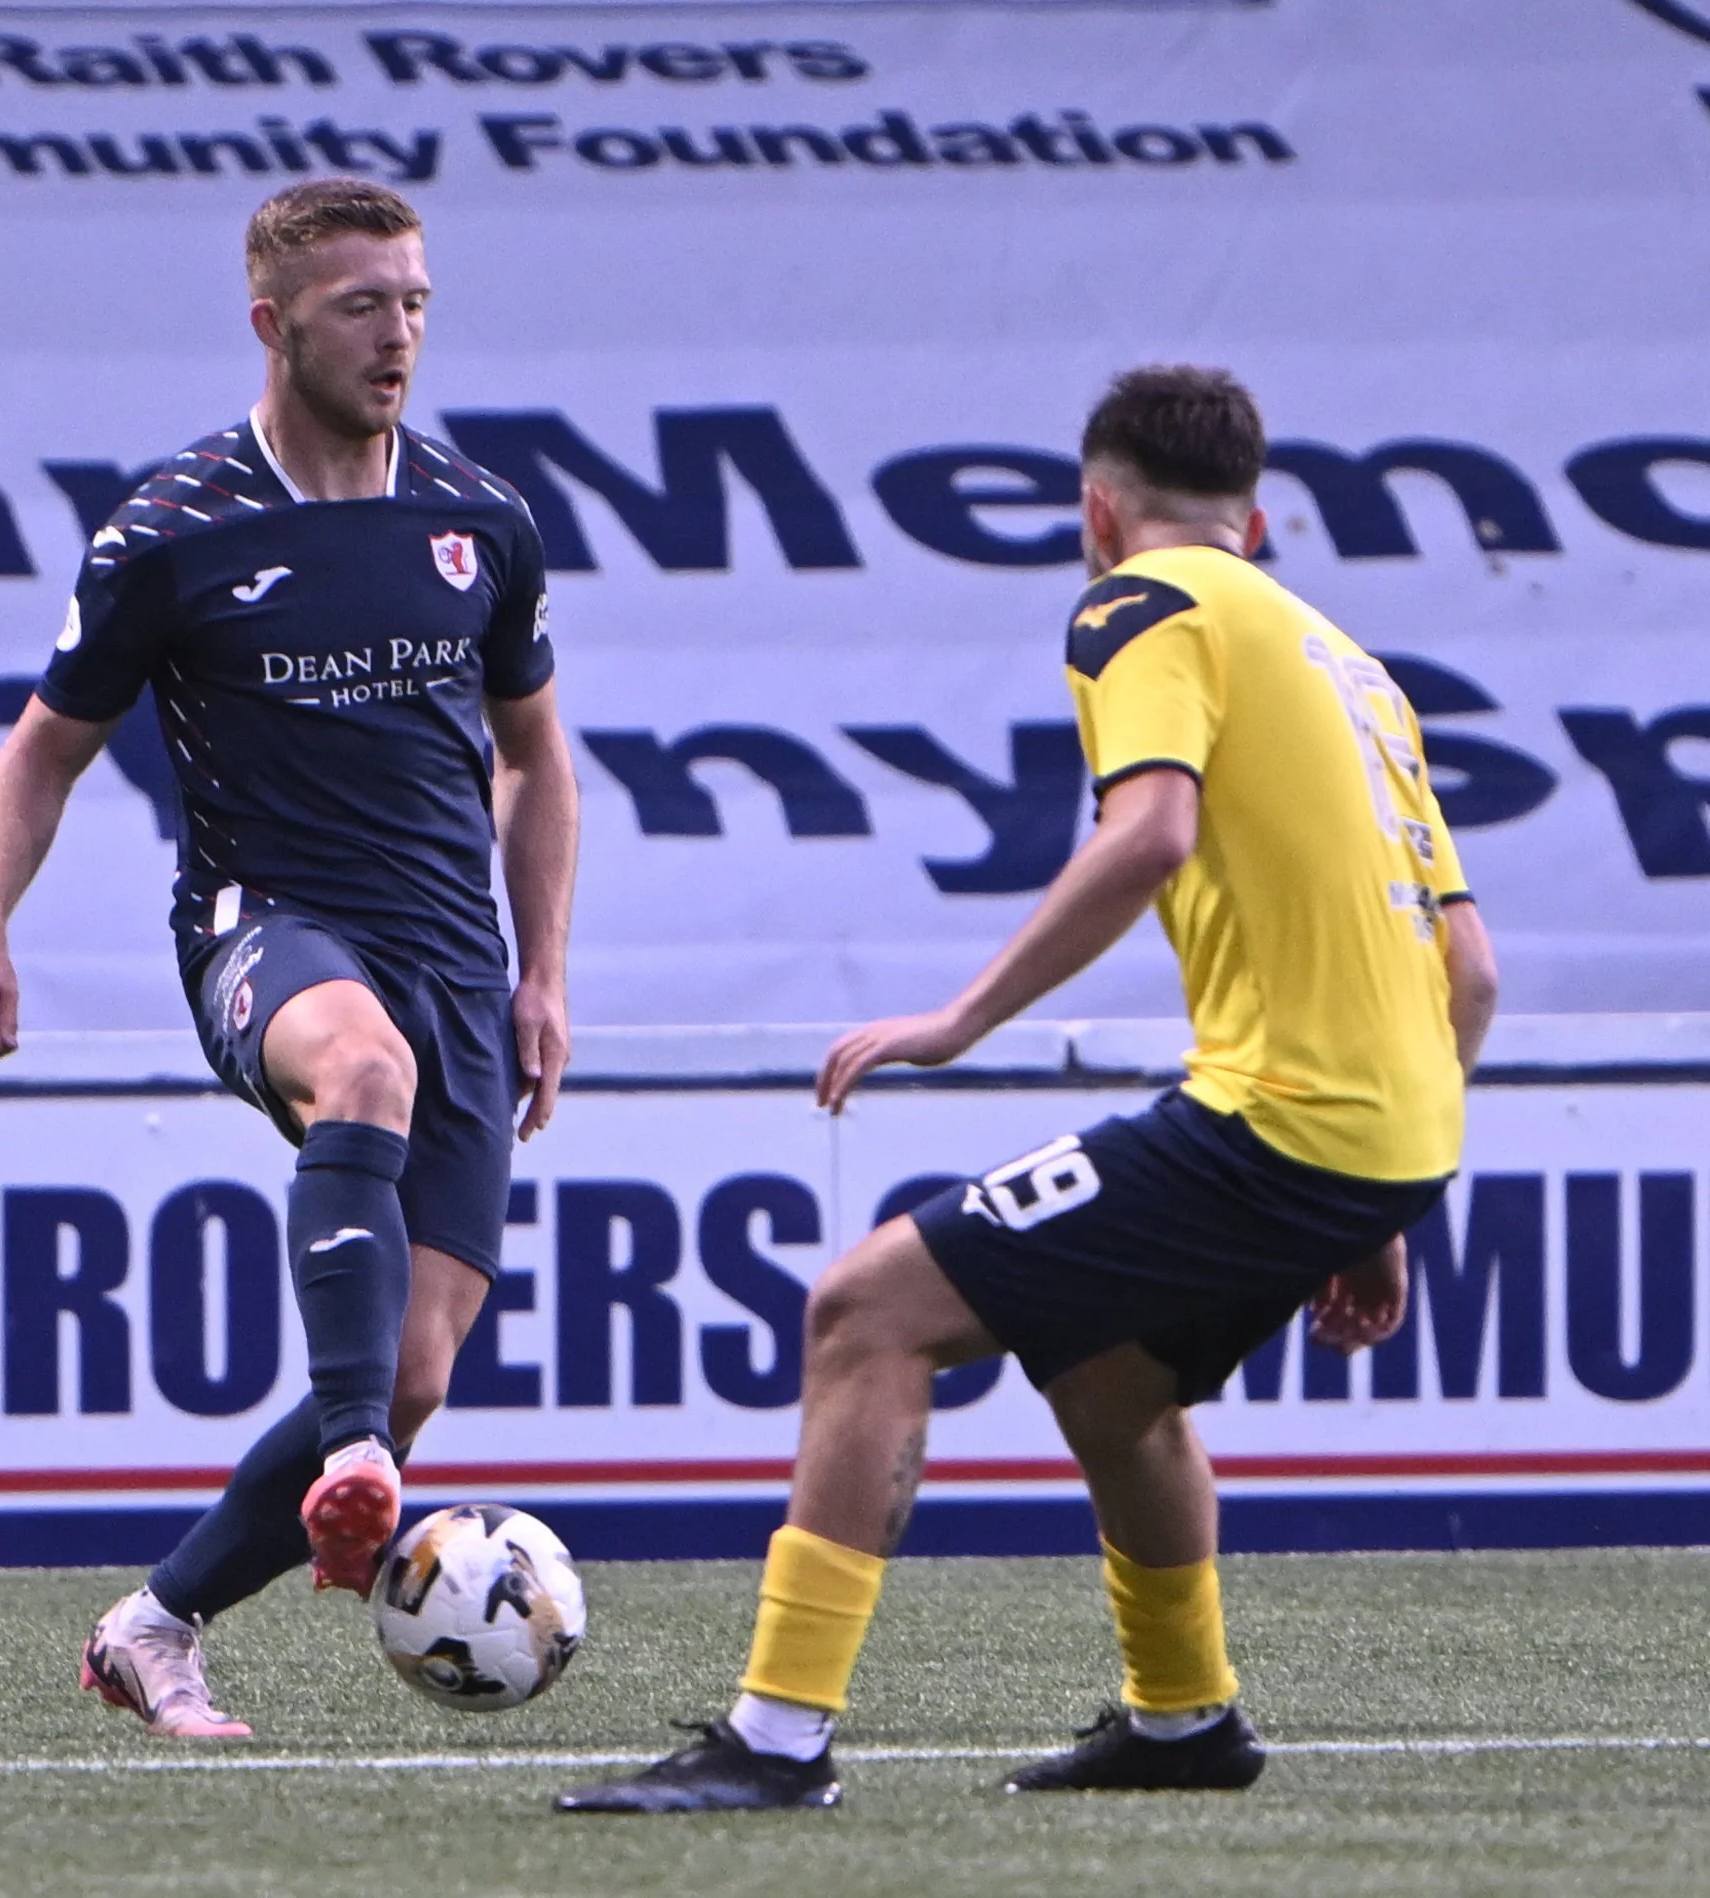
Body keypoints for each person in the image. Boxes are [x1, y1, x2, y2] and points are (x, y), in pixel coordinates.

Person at [556, 364, 1499, 1813]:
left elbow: (1151, 832)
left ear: (1097, 513)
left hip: (1285, 1117)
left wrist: (961, 1017)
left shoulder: (1142, 602)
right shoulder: (1355, 670)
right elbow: (1470, 972)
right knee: (1114, 1379)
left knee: (866, 1309)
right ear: (1256, 522)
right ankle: (1185, 1721)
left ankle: (776, 1739)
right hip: (1392, 1126)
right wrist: (1374, 1198)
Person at [0, 178, 579, 1739]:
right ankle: (357, 1457)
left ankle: (153, 1625)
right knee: (361, 1066)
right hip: (266, 923)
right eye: (363, 305)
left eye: (414, 301)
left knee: (417, 1365)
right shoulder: (175, 529)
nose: (398, 333)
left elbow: (537, 757)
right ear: (273, 322)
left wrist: (543, 970)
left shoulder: (480, 520)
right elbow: (42, 750)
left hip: (453, 955)